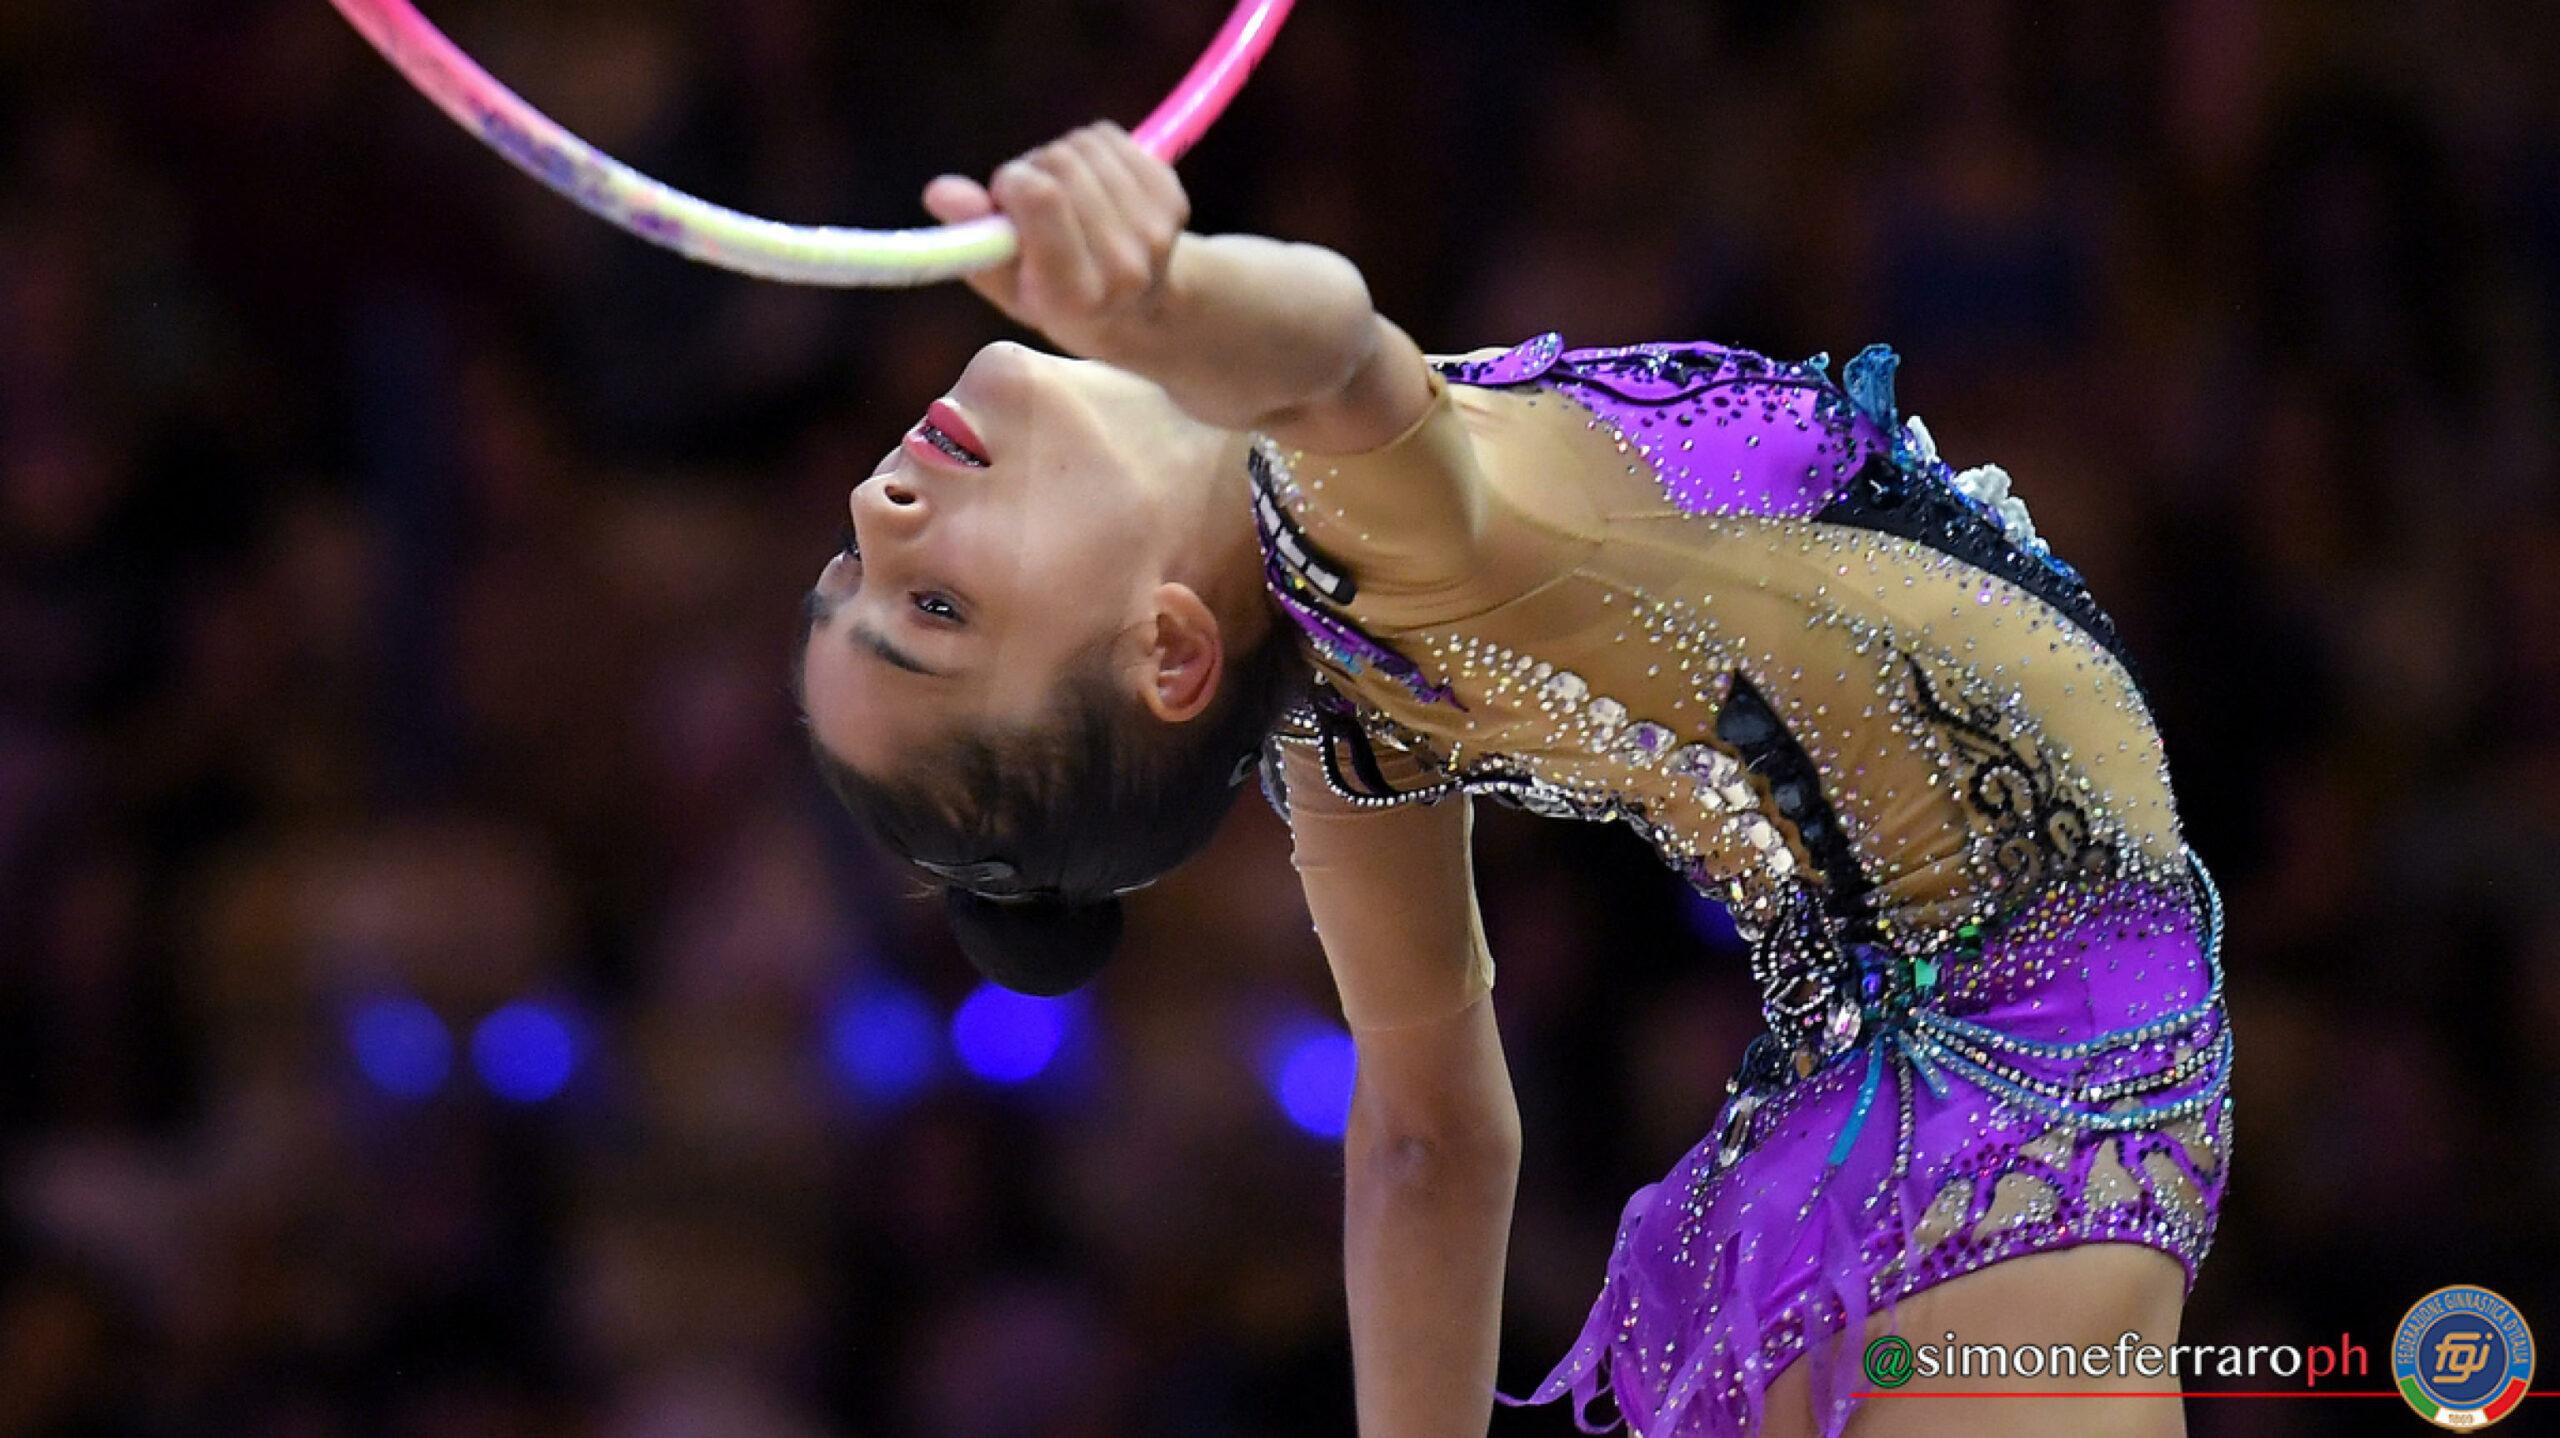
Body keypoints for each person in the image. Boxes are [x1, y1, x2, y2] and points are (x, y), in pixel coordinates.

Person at [795, 121, 2231, 1438]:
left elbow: (1431, 1131)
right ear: (1166, 655)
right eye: (934, 617)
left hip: (1896, 1087)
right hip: (2042, 1071)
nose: (878, 506)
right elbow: (1337, 352)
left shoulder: (1343, 705)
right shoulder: (1346, 522)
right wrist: (1154, 300)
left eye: (852, 577)